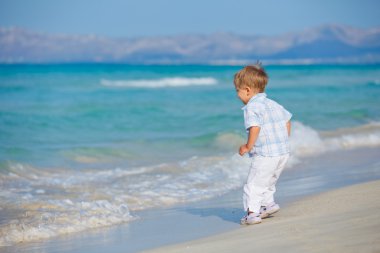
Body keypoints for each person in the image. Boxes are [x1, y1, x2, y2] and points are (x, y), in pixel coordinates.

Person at [234, 64, 292, 225]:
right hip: (282, 152)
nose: (237, 95)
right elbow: (287, 121)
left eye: (237, 91)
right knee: (268, 180)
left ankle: (252, 213)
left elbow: (255, 127)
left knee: (253, 184)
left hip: (265, 154)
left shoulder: (251, 107)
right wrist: (283, 139)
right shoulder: (272, 103)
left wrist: (247, 146)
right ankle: (268, 204)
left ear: (247, 90)